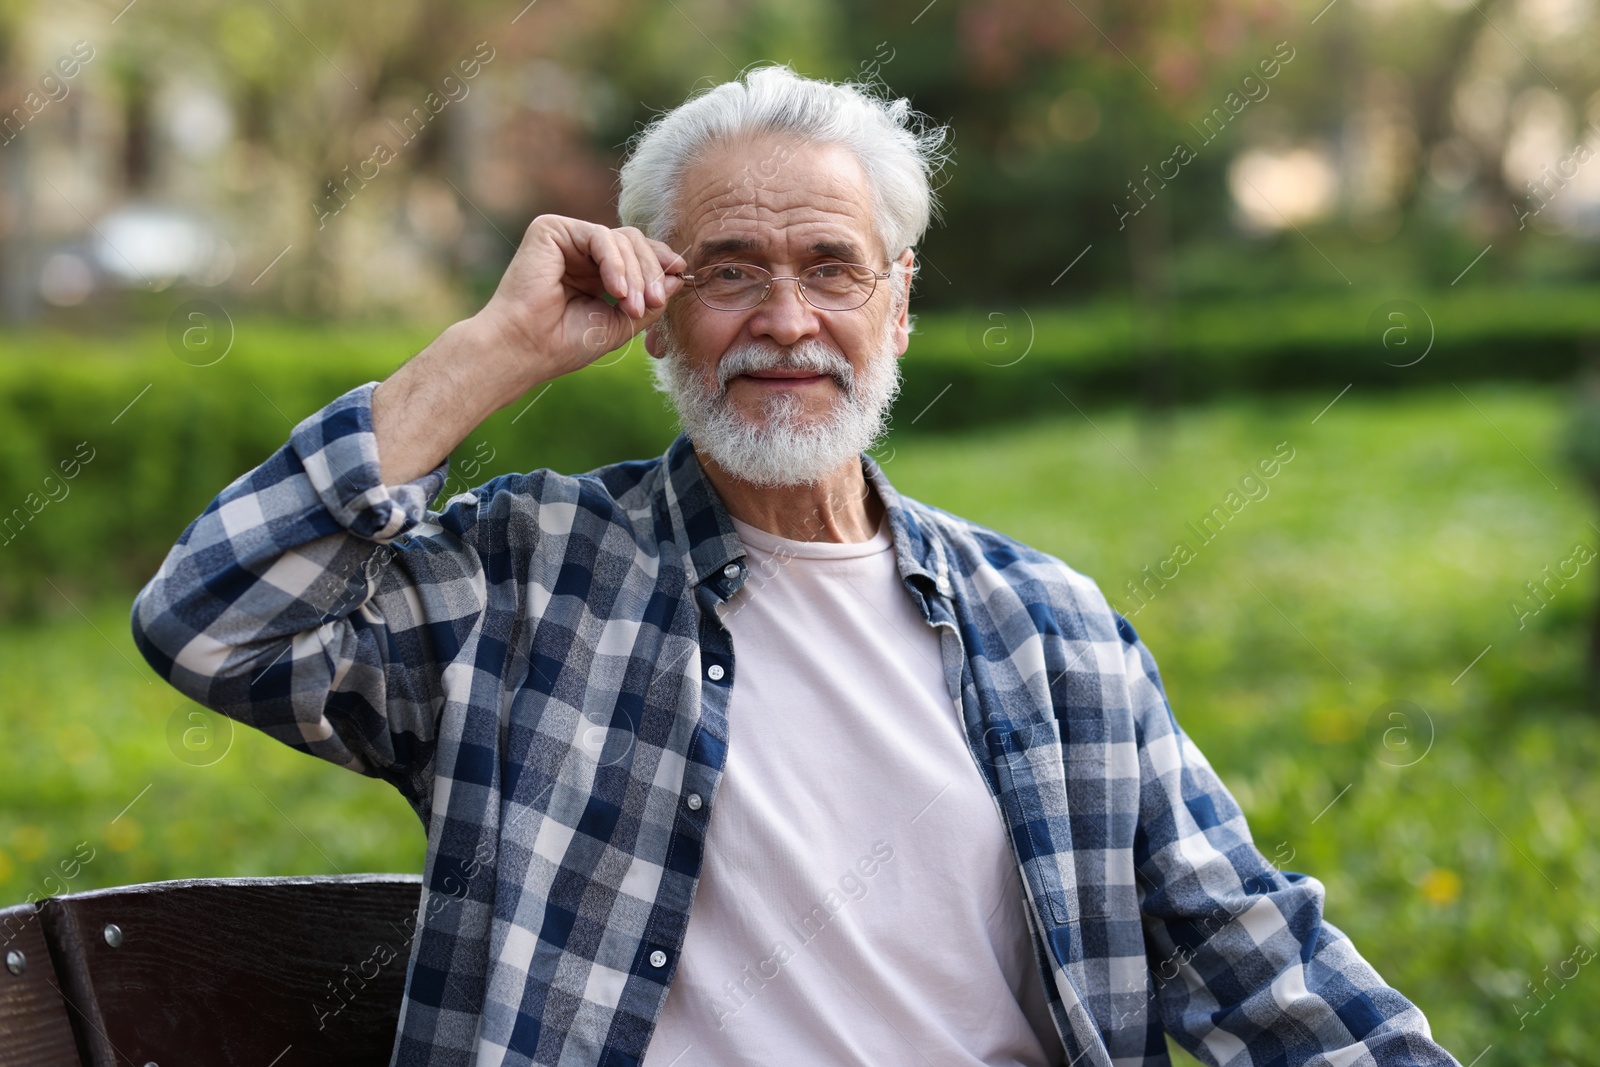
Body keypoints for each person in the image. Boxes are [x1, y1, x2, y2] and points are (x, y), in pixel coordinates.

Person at [130, 64, 1462, 1067]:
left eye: (833, 267)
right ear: (652, 313)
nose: (786, 321)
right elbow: (211, 619)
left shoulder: (1055, 635)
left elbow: (1257, 965)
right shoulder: (522, 583)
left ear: (899, 302)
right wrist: (493, 351)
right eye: (728, 271)